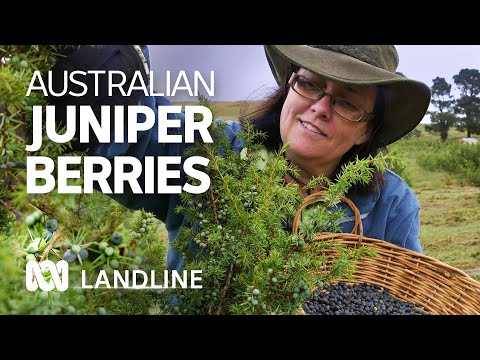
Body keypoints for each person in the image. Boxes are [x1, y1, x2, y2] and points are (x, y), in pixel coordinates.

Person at [48, 45, 431, 272]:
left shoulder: (390, 206)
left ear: (367, 129)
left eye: (347, 101)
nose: (320, 107)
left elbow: (406, 296)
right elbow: (129, 135)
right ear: (290, 87)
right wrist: (108, 66)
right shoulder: (212, 152)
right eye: (311, 83)